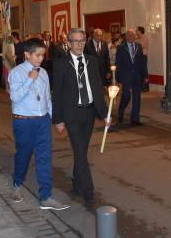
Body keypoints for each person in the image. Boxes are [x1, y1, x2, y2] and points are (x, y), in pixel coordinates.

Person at [9, 38, 69, 211]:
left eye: (43, 55)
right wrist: (29, 80)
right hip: (24, 121)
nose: (41, 59)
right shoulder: (17, 73)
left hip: (42, 121)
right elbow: (15, 97)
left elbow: (47, 98)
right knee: (24, 155)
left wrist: (56, 119)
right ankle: (17, 183)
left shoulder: (43, 73)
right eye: (37, 55)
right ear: (27, 54)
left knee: (44, 158)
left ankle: (46, 197)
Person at [53, 28, 108, 210]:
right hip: (71, 114)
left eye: (82, 40)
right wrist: (58, 118)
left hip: (89, 112)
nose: (79, 44)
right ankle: (89, 193)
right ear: (68, 43)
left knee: (81, 151)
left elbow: (98, 89)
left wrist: (105, 113)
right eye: (75, 41)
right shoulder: (61, 64)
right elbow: (57, 93)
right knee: (80, 151)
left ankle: (77, 182)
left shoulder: (92, 61)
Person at [115, 29, 148, 126]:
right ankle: (120, 112)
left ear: (135, 37)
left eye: (133, 35)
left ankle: (135, 119)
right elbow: (118, 63)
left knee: (137, 97)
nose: (131, 37)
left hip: (137, 75)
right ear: (126, 37)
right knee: (126, 95)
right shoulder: (121, 48)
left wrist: (145, 75)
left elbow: (142, 62)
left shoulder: (138, 46)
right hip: (126, 75)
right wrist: (118, 78)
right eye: (129, 35)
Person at [136, 26, 150, 92]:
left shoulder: (145, 38)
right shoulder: (136, 38)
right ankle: (141, 87)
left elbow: (141, 46)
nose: (136, 32)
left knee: (144, 70)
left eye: (137, 30)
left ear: (140, 31)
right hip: (137, 57)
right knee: (139, 71)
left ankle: (146, 86)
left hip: (143, 56)